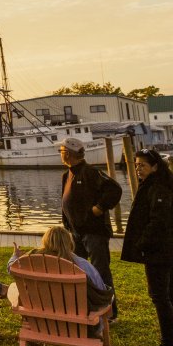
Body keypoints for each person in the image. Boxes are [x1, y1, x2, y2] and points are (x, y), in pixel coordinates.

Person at [122, 148, 173, 346]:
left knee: (161, 297)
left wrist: (142, 243)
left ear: (155, 166)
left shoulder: (159, 188)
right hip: (165, 247)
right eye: (136, 165)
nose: (138, 168)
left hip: (159, 249)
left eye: (143, 165)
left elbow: (158, 221)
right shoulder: (157, 184)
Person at [58, 136, 122, 319]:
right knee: (78, 271)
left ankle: (110, 313)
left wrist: (98, 208)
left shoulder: (90, 173)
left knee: (100, 271)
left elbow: (114, 190)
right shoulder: (67, 175)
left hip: (94, 232)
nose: (61, 155)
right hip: (75, 232)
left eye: (62, 151)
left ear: (68, 153)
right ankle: (85, 307)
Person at [9, 225, 114, 310]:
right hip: (79, 326)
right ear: (69, 242)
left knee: (14, 288)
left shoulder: (31, 260)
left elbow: (11, 268)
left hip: (39, 321)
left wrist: (15, 256)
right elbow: (101, 291)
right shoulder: (82, 265)